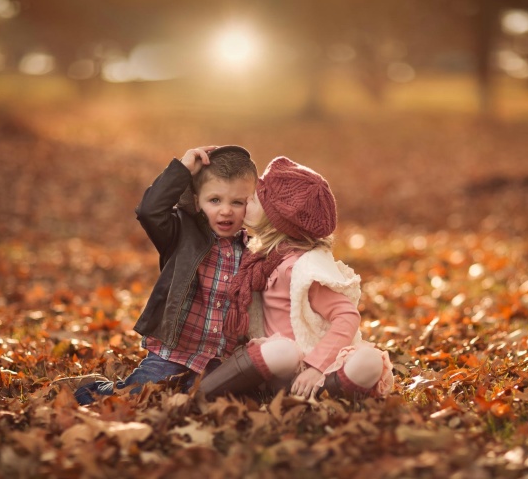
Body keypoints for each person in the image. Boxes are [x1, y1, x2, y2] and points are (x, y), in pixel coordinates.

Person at [71, 145, 258, 405]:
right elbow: (149, 211)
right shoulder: (181, 233)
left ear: (251, 204)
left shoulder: (254, 249)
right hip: (172, 353)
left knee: (206, 400)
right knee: (138, 396)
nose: (225, 210)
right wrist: (182, 170)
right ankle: (90, 391)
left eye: (237, 202)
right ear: (196, 200)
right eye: (214, 200)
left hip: (217, 359)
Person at [198, 156, 394, 400]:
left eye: (255, 198)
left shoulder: (302, 268)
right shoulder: (260, 258)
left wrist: (315, 367)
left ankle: (319, 393)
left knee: (369, 361)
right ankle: (203, 392)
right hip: (278, 363)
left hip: (315, 363)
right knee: (283, 351)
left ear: (276, 219)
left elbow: (346, 316)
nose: (247, 199)